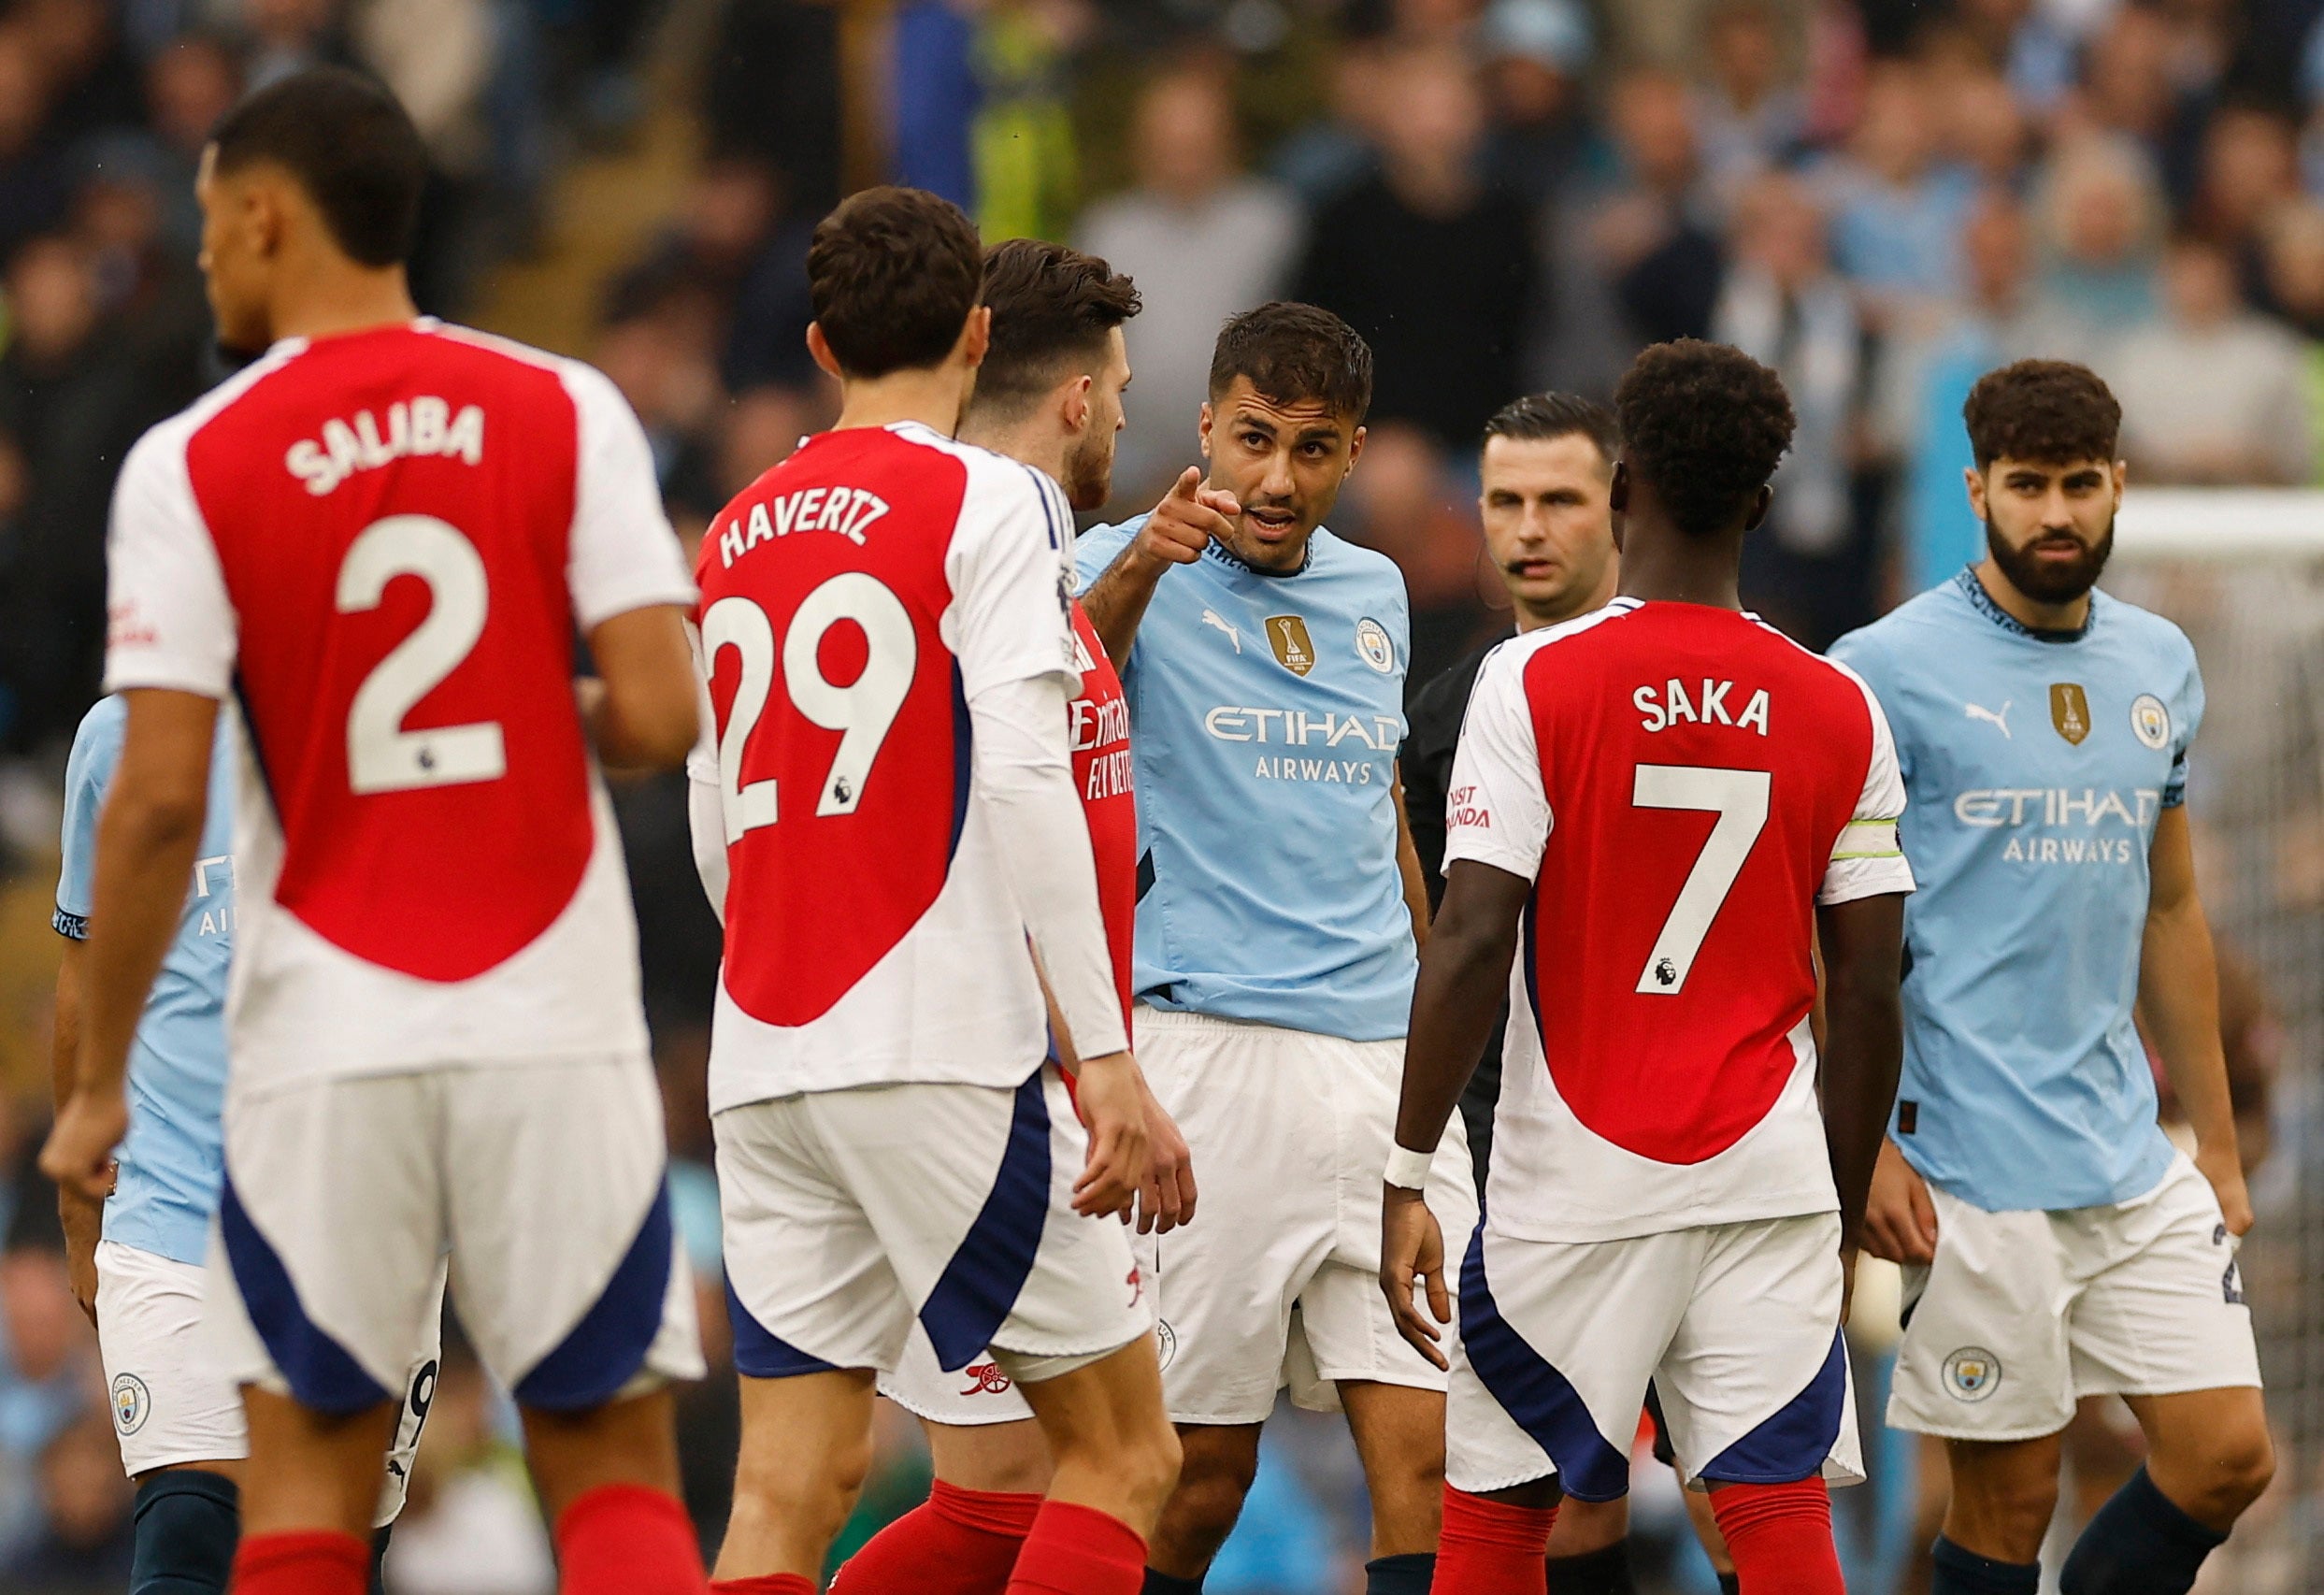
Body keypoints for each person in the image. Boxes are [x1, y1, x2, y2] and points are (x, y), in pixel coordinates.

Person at [39, 66, 710, 1595]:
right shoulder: (565, 407)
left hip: (329, 1037)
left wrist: (84, 1115)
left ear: (269, 215)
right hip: (543, 1002)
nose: (204, 252)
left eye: (209, 219)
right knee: (609, 1474)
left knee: (297, 1498)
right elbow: (664, 717)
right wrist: (521, 731)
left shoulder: (195, 463)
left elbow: (152, 801)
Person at [691, 187, 1180, 1595]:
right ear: (975, 334)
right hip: (931, 1045)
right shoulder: (992, 494)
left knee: (786, 1490)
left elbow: (714, 812)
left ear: (820, 341)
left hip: (766, 1049)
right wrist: (1101, 1059)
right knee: (1120, 1455)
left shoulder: (734, 528)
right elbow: (1025, 767)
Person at [1383, 338, 1914, 1595]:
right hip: (1766, 1167)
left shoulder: (1532, 678)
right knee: (1777, 1520)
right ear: (1763, 505)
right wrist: (1832, 1216)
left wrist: (1407, 1166)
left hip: (1575, 1172)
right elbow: (1873, 990)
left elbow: (1468, 937)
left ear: (1621, 493)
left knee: (1499, 1515)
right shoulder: (1837, 702)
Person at [1832, 359, 2274, 1595]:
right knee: (2009, 1498)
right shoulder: (1881, 666)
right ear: (1976, 488)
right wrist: (1861, 1140)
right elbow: (1820, 925)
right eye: (2025, 485)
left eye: (2078, 484)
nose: (2054, 514)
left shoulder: (2156, 663)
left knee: (2223, 1456)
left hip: (2125, 1154)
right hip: (1966, 1163)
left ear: (2117, 485)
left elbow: (2170, 905)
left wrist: (2221, 1145)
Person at [1073, 301, 1478, 1595]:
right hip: (1208, 1052)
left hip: (1376, 1068)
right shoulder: (1110, 559)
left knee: (1433, 1462)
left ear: (1350, 452)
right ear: (1205, 426)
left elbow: (1384, 820)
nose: (1275, 478)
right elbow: (1061, 701)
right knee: (1194, 1477)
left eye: (1312, 449)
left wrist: (1428, 1023)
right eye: (1252, 439)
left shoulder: (1377, 592)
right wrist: (1145, 559)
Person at [1398, 392, 1736, 1595]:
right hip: (1516, 1152)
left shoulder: (1729, 684)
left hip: (1710, 1139)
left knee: (1730, 1489)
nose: (1528, 528)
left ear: (1624, 506)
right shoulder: (1441, 716)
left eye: (1561, 499)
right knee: (1560, 1499)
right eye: (1504, 501)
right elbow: (1434, 948)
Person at [51, 694, 438, 1595]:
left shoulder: (397, 715)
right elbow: (83, 969)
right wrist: (79, 1209)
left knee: (333, 1553)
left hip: (371, 1218)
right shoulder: (121, 737)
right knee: (187, 1532)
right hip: (175, 1213)